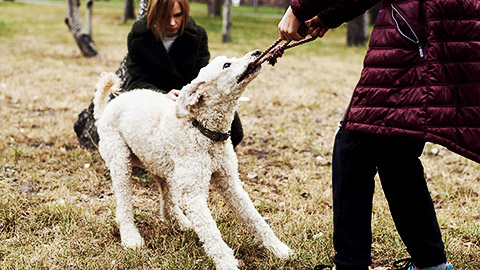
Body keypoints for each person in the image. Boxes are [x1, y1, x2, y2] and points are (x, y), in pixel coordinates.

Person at [278, 0, 480, 270]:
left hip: (418, 27)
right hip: (440, 24)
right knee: (395, 147)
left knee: (354, 145)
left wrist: (298, 9)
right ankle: (432, 264)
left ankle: (351, 265)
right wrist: (330, 14)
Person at [125, 0, 244, 147]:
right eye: (164, 16)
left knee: (235, 132)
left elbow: (202, 75)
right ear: (154, 14)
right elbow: (136, 80)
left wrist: (189, 95)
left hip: (190, 94)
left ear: (185, 13)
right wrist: (162, 95)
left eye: (178, 15)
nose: (172, 22)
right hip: (156, 100)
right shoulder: (139, 36)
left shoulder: (197, 35)